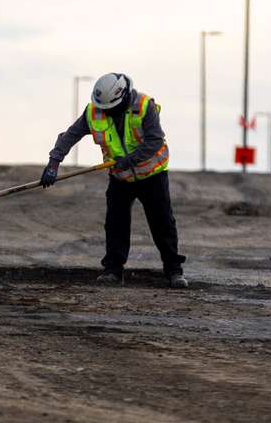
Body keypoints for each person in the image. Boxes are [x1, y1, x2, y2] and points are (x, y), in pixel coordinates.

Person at [41, 73, 188, 288]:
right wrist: (53, 163)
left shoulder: (144, 106)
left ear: (124, 97)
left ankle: (174, 271)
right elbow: (71, 135)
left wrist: (130, 160)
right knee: (115, 224)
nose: (107, 113)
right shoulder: (94, 111)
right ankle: (113, 271)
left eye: (112, 109)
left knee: (162, 223)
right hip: (120, 178)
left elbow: (155, 140)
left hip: (152, 176)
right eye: (104, 109)